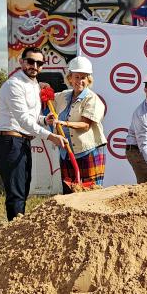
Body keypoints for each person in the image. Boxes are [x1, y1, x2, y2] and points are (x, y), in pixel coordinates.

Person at [0, 47, 67, 221]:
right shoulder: (14, 85)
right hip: (9, 141)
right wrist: (51, 136)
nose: (34, 66)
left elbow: (31, 118)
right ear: (21, 62)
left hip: (21, 141)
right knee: (16, 193)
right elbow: (23, 120)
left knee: (23, 189)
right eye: (30, 61)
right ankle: (14, 236)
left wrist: (43, 120)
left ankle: (16, 231)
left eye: (39, 63)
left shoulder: (33, 84)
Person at [45, 56, 107, 193]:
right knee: (69, 192)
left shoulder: (92, 99)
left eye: (83, 78)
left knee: (91, 193)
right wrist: (44, 91)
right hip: (66, 152)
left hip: (88, 151)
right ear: (70, 78)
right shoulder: (63, 96)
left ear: (88, 80)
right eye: (76, 77)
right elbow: (47, 104)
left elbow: (85, 125)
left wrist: (63, 123)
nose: (80, 81)